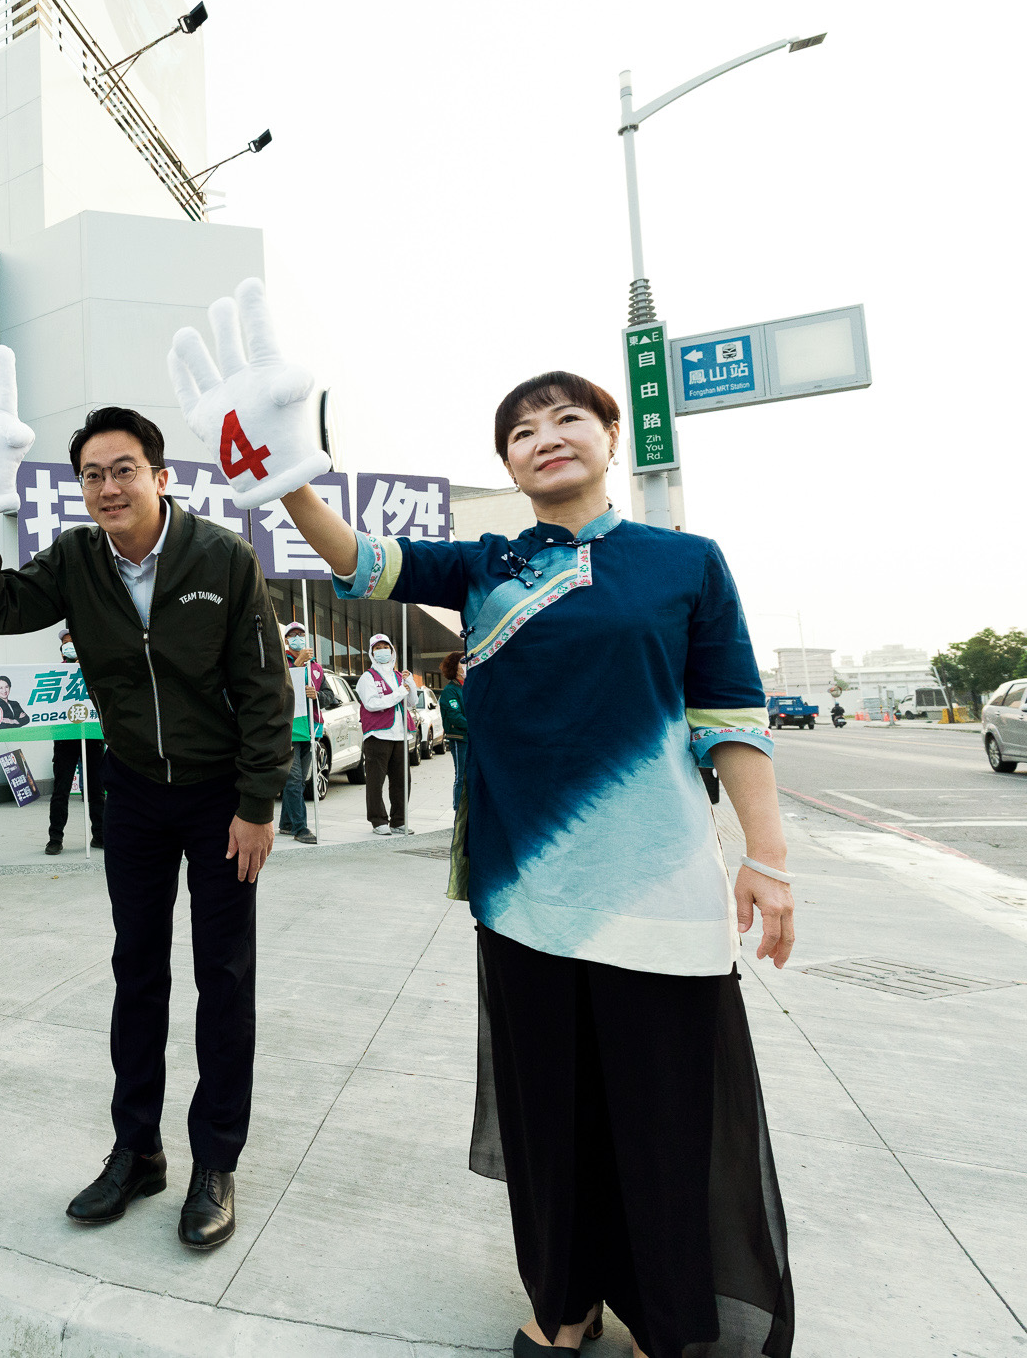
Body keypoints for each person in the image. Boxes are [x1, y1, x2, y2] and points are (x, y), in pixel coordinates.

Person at [275, 370, 796, 1357]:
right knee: (547, 1116)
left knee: (658, 1118)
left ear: (608, 434)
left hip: (660, 892)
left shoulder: (683, 563)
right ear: (506, 465)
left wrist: (766, 861)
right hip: (523, 894)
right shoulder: (482, 564)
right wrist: (295, 480)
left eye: (566, 419)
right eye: (519, 430)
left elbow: (731, 716)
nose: (543, 437)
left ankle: (661, 1317)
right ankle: (562, 1302)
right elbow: (354, 563)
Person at [0, 403, 292, 1252]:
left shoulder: (223, 556)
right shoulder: (74, 560)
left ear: (159, 475)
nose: (107, 486)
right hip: (133, 790)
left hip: (219, 800)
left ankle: (216, 1159)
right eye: (92, 475)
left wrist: (258, 804)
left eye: (123, 468)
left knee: (224, 974)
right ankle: (137, 1150)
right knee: (136, 971)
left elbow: (264, 688)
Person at [46, 627, 105, 856]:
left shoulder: (94, 669)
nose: (68, 646)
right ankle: (55, 838)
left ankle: (100, 835)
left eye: (72, 642)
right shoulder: (53, 673)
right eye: (65, 643)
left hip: (91, 736)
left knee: (96, 789)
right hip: (64, 737)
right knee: (60, 790)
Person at [355, 633, 411, 836]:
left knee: (402, 781)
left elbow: (411, 701)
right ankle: (378, 820)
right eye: (377, 648)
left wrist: (409, 684)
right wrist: (399, 693)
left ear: (392, 650)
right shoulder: (367, 678)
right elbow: (372, 704)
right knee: (375, 781)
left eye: (385, 647)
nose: (382, 651)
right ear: (371, 652)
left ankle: (399, 820)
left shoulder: (399, 677)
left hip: (400, 735)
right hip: (378, 735)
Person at [278, 621, 322, 845]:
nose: (297, 638)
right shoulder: (282, 662)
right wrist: (296, 665)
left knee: (300, 781)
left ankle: (286, 823)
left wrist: (317, 695)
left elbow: (329, 696)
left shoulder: (316, 666)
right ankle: (300, 828)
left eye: (301, 634)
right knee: (293, 780)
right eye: (292, 635)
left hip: (311, 729)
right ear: (286, 640)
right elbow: (279, 689)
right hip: (290, 730)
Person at [438, 650, 468, 813]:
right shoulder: (451, 690)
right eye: (462, 662)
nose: (466, 665)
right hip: (460, 738)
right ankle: (459, 812)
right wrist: (475, 727)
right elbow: (455, 716)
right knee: (461, 777)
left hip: (474, 738)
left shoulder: (470, 686)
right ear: (454, 667)